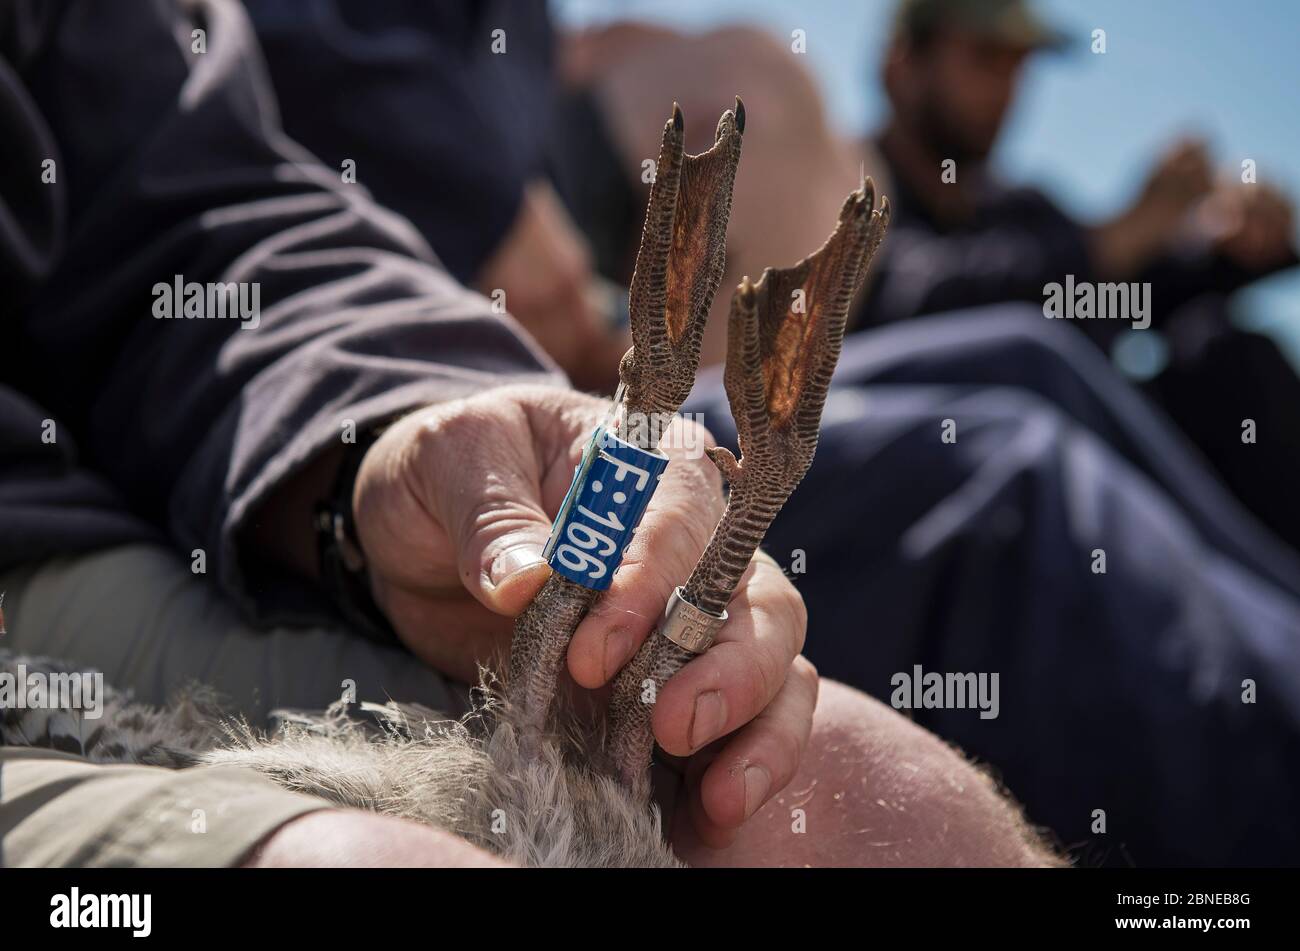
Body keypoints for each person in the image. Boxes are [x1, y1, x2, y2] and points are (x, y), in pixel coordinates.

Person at [0, 0, 1058, 867]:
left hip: (86, 547)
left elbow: (185, 215)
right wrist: (480, 203)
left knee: (889, 806)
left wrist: (389, 437)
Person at [861, 0, 1300, 548]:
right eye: (986, 58)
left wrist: (1231, 247)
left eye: (1019, 65)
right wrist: (1119, 237)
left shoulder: (1021, 210)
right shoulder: (844, 184)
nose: (1007, 88)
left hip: (1076, 486)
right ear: (902, 64)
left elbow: (1123, 297)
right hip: (934, 490)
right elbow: (910, 296)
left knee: (1221, 352)